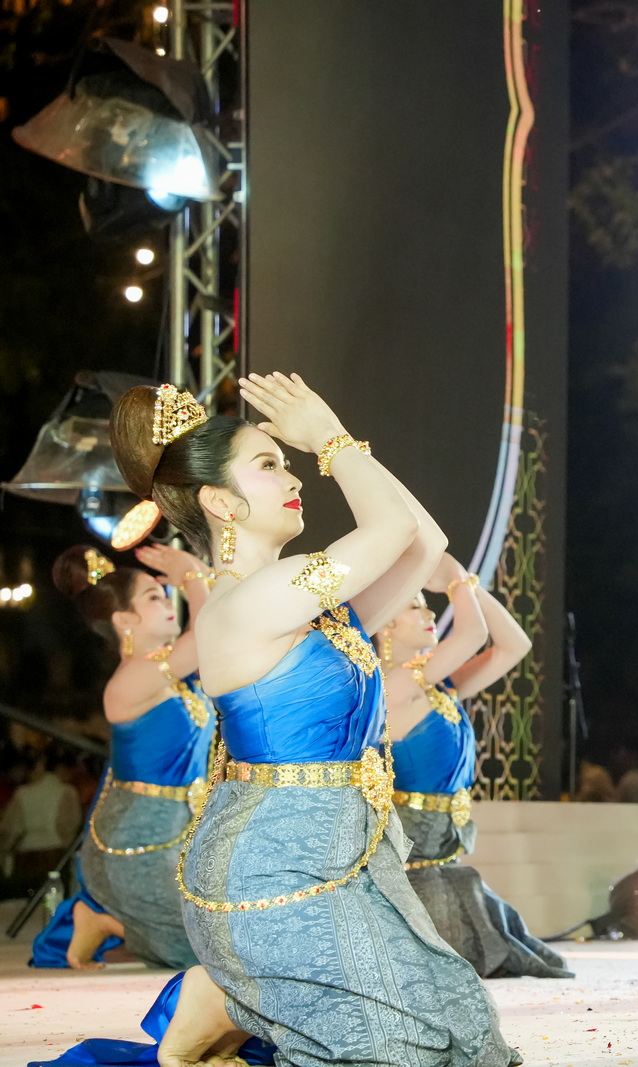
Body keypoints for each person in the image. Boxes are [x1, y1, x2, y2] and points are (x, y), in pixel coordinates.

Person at [46, 373, 518, 1067]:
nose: (295, 476)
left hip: (348, 861)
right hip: (271, 873)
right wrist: (330, 435)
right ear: (219, 501)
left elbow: (424, 541)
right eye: (269, 464)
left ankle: (229, 998)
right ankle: (230, 994)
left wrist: (336, 442)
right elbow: (390, 529)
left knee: (462, 1039)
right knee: (398, 1054)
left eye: (288, 462)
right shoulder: (251, 600)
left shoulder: (307, 603)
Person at [377, 556, 572, 980]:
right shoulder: (392, 686)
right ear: (385, 622)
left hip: (442, 845)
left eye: (427, 606)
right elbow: (473, 633)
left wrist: (467, 583)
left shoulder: (438, 685)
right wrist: (454, 581)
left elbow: (514, 646)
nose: (431, 613)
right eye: (415, 606)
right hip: (413, 847)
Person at [31, 542, 215, 971]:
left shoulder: (176, 677)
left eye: (165, 594)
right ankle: (107, 921)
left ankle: (106, 922)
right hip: (139, 841)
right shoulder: (131, 679)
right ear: (124, 620)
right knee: (209, 955)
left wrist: (198, 576)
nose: (168, 602)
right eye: (154, 597)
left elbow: (214, 637)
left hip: (181, 833)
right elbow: (207, 636)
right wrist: (192, 575)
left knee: (229, 942)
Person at [0, 749, 80, 898]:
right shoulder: (66, 792)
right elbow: (68, 828)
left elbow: (10, 831)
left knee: (26, 903)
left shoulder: (22, 793)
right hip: (54, 855)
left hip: (25, 859)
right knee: (54, 902)